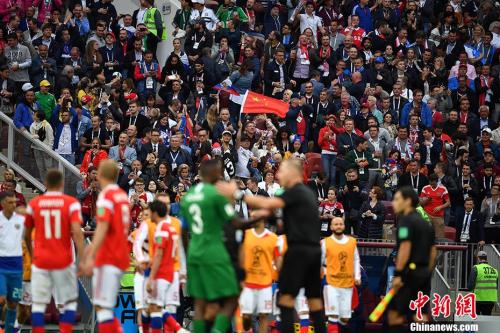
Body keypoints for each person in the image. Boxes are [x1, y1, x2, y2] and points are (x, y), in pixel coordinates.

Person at [217, 158, 326, 333]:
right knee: (314, 301)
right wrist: (266, 216)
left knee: (285, 300)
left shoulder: (295, 191)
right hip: (313, 252)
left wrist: (237, 194)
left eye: (281, 171)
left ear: (292, 173)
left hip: (298, 251)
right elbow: (284, 222)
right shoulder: (308, 193)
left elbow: (269, 203)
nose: (278, 174)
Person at [181, 159, 256, 333]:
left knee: (200, 303)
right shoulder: (216, 195)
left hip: (194, 253)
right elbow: (237, 223)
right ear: (215, 173)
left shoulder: (189, 195)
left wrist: (187, 252)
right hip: (214, 253)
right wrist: (260, 217)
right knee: (233, 296)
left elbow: (183, 230)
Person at [24, 169, 85, 333]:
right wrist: (84, 258)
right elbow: (77, 233)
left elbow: (26, 234)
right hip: (63, 260)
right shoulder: (70, 203)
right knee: (68, 303)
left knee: (38, 304)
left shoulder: (34, 204)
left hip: (41, 259)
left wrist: (32, 254)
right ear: (62, 184)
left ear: (45, 184)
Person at [79, 160, 132, 333]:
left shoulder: (106, 197)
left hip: (109, 256)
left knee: (102, 306)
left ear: (101, 175)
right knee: (105, 306)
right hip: (121, 255)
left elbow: (102, 227)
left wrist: (89, 254)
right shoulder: (122, 196)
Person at [388, 186, 436, 333]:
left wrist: (398, 274)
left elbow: (404, 248)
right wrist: (426, 272)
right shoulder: (426, 223)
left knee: (394, 315)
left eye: (397, 199)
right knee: (419, 316)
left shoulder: (405, 221)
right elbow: (433, 251)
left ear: (407, 201)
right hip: (424, 274)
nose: (393, 203)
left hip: (408, 273)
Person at [145, 200, 187, 333]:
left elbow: (158, 254)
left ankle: (178, 329)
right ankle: (177, 329)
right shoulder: (172, 229)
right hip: (173, 272)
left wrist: (151, 277)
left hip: (163, 273)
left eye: (150, 212)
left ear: (155, 213)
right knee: (170, 308)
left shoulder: (161, 230)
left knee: (155, 307)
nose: (149, 215)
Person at [321, 217, 361, 333]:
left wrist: (357, 276)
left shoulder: (351, 242)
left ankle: (334, 326)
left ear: (344, 226)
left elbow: (356, 260)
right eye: (336, 224)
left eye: (340, 224)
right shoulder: (325, 243)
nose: (338, 226)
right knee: (333, 316)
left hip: (347, 284)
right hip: (331, 284)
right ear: (331, 227)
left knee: (345, 318)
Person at [239, 218, 279, 333]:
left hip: (265, 284)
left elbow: (277, 261)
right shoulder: (244, 235)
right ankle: (248, 330)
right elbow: (239, 256)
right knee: (246, 316)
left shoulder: (273, 238)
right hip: (247, 283)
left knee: (263, 315)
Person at [0, 191, 25, 333]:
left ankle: (8, 330)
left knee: (13, 304)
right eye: (10, 202)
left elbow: (28, 239)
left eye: (15, 202)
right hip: (1, 264)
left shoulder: (21, 220)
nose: (13, 205)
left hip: (17, 266)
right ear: (2, 203)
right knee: (1, 298)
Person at [419, 174, 451, 239]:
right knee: (425, 236)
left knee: (439, 237)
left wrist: (440, 207)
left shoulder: (443, 189)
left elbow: (448, 203)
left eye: (433, 183)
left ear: (436, 181)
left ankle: (438, 249)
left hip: (438, 216)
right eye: (430, 183)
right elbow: (421, 203)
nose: (432, 185)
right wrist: (427, 200)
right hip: (427, 215)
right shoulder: (425, 188)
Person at [467, 251, 498, 315]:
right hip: (491, 299)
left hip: (478, 299)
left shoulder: (476, 268)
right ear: (486, 258)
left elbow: (470, 286)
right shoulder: (495, 270)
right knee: (487, 318)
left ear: (478, 258)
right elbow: (496, 286)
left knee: (476, 319)